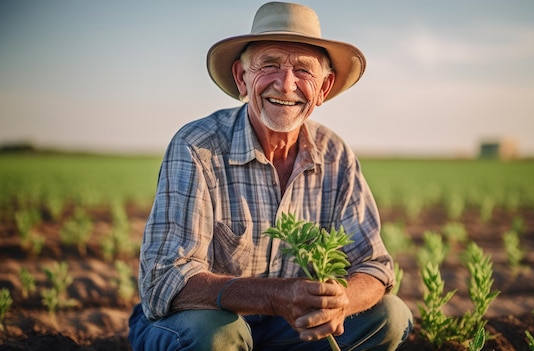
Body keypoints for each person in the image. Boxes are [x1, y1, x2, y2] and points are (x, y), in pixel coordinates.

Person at [128, 2, 413, 350]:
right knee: (216, 335)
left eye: (304, 71)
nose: (286, 84)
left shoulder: (335, 154)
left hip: (287, 330)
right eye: (270, 64)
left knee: (389, 316)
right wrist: (275, 295)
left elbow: (374, 265)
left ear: (323, 88)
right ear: (241, 78)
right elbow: (165, 279)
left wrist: (341, 302)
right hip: (197, 324)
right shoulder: (197, 146)